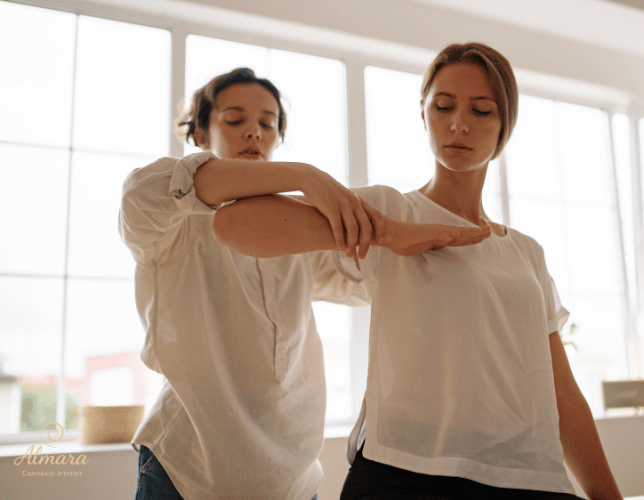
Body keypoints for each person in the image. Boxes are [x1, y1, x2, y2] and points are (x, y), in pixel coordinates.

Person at [211, 44, 623, 500]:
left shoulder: (527, 253)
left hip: (525, 476)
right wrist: (385, 231)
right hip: (403, 471)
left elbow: (563, 395)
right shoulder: (393, 211)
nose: (459, 123)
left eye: (481, 111)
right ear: (423, 114)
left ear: (505, 124)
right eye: (443, 106)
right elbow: (235, 225)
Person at [119, 67, 489, 500]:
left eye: (267, 123)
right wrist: (304, 175)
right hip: (188, 470)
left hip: (293, 479)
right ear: (201, 135)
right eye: (235, 120)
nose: (254, 133)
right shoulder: (165, 221)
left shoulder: (298, 240)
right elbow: (162, 187)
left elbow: (377, 278)